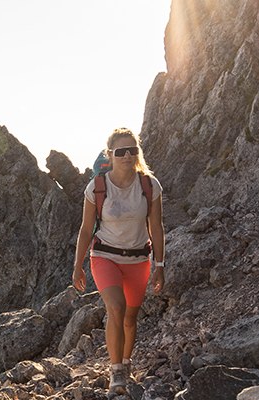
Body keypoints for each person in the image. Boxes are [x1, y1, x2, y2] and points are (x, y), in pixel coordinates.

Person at [72, 128, 166, 394]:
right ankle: (116, 373)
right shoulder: (98, 187)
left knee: (130, 317)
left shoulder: (149, 185)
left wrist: (160, 266)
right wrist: (78, 265)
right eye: (121, 152)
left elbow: (156, 227)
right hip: (104, 256)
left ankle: (125, 363)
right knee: (116, 307)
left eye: (132, 150)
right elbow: (85, 228)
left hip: (138, 259)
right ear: (110, 155)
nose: (127, 156)